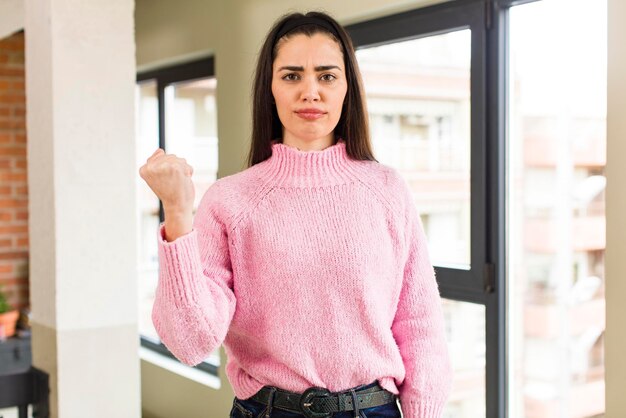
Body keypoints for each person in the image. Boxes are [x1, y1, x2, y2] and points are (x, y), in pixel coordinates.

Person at [139, 10, 453, 418]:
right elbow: (190, 342)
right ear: (270, 89)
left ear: (347, 88)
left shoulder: (387, 190)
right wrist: (178, 213)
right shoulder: (230, 200)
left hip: (374, 409)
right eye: (291, 76)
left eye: (326, 76)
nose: (310, 91)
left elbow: (419, 321)